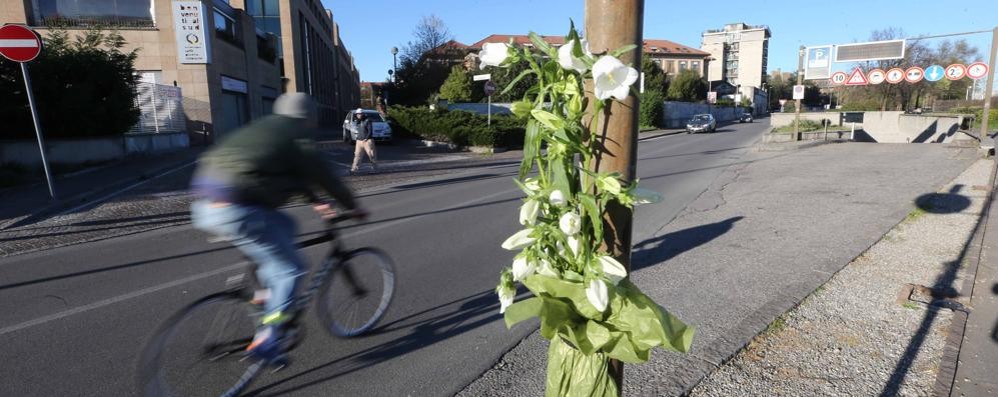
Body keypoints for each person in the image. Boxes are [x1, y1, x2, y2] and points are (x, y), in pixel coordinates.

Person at [189, 93, 366, 364]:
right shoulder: (296, 137)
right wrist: (352, 207)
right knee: (292, 269)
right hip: (239, 208)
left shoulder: (264, 128)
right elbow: (323, 175)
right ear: (308, 116)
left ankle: (264, 293)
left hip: (205, 203)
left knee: (285, 226)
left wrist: (315, 201)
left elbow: (283, 172)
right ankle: (268, 339)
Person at [350, 109, 378, 174]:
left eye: (360, 114)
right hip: (359, 141)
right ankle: (354, 169)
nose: (358, 115)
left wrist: (366, 138)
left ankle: (375, 169)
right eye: (357, 114)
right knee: (357, 155)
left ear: (362, 114)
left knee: (371, 155)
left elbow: (370, 131)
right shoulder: (358, 121)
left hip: (367, 141)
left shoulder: (367, 120)